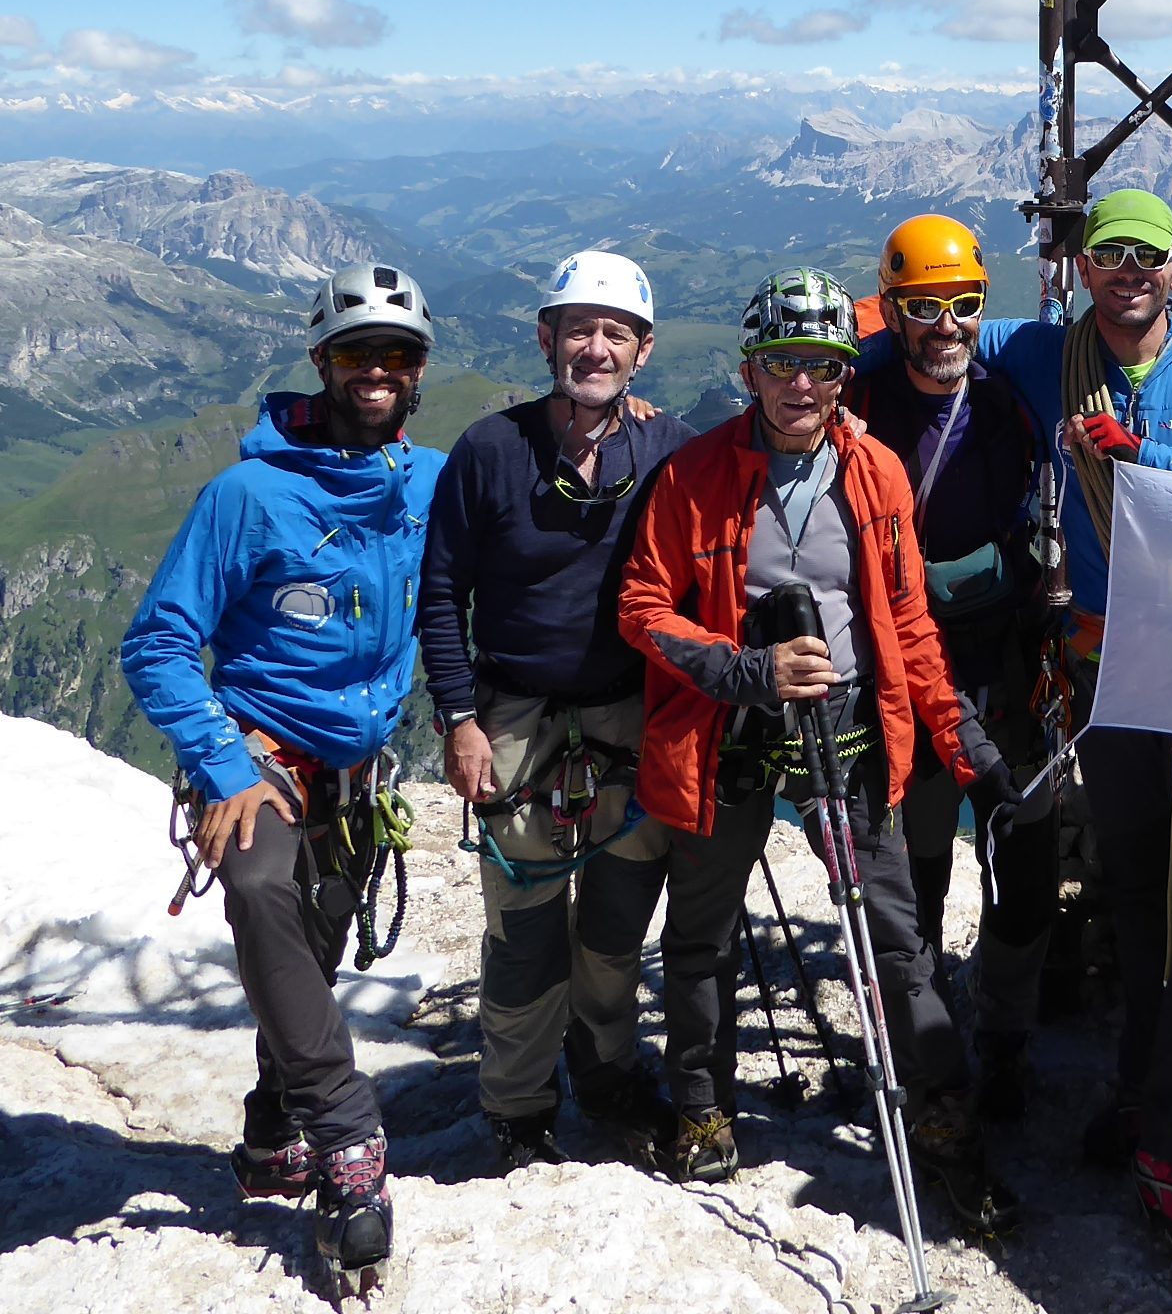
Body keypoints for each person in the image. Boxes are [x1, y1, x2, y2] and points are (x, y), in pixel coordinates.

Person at [618, 267, 1025, 1235]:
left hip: (847, 719)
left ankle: (942, 1117)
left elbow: (909, 621)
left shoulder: (874, 470)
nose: (804, 385)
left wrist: (964, 747)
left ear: (846, 374)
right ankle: (703, 1104)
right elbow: (644, 606)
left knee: (894, 934)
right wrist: (742, 670)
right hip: (732, 727)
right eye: (784, 364)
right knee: (703, 931)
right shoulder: (695, 475)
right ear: (752, 370)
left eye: (825, 366)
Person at [960, 186, 1172, 1261]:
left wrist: (1146, 459)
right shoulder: (1043, 350)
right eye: (1110, 255)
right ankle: (1149, 1096)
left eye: (1149, 255)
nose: (1130, 272)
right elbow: (932, 324)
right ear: (1081, 268)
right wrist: (821, 343)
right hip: (1109, 669)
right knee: (1140, 890)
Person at [121, 262, 443, 1291]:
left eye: (397, 355)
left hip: (357, 777)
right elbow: (160, 642)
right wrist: (220, 763)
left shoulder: (430, 482)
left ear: (419, 369)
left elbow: (536, 482)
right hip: (258, 757)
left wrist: (643, 429)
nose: (378, 370)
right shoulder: (248, 494)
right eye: (359, 354)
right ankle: (350, 1150)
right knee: (264, 896)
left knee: (310, 949)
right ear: (323, 364)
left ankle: (272, 1128)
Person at [418, 250, 693, 1166]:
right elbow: (442, 589)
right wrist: (460, 717)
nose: (596, 346)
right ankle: (519, 1103)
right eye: (579, 328)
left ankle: (604, 1067)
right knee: (528, 929)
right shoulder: (493, 452)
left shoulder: (664, 448)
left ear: (642, 352)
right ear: (546, 338)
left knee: (617, 925)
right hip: (517, 716)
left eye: (615, 332)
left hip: (625, 715)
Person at [843, 215, 1053, 1119]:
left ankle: (1003, 1035)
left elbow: (1101, 351)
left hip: (1001, 664)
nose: (945, 326)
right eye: (923, 308)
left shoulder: (1005, 400)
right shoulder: (858, 399)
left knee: (1024, 856)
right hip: (905, 676)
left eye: (962, 304)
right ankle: (926, 1038)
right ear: (890, 310)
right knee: (918, 866)